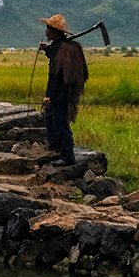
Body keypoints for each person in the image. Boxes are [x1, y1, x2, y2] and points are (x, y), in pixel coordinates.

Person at [39, 13, 88, 165]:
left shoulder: (63, 50)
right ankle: (55, 146)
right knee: (50, 117)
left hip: (61, 93)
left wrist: (49, 96)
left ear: (55, 31)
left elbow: (56, 76)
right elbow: (54, 56)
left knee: (61, 122)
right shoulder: (59, 47)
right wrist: (47, 50)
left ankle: (68, 156)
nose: (46, 31)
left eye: (49, 28)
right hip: (60, 92)